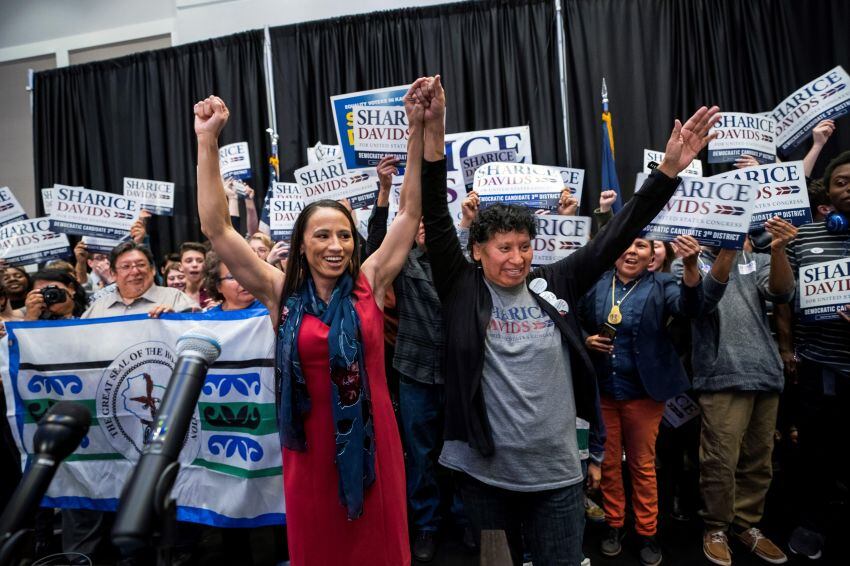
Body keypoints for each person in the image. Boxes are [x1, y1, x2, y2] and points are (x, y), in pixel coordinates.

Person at [423, 88, 720, 564]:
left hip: (557, 473)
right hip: (485, 474)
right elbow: (436, 216)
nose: (517, 258)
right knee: (496, 562)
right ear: (477, 250)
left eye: (524, 246)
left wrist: (667, 172)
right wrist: (434, 132)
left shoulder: (555, 281)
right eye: (504, 247)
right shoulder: (462, 289)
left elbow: (617, 233)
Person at [193, 77, 438, 565]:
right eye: (322, 235)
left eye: (345, 236)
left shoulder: (373, 280)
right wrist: (207, 142)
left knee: (379, 547)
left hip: (372, 443)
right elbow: (215, 227)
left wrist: (416, 128)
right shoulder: (278, 291)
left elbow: (410, 209)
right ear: (301, 243)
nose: (335, 246)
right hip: (308, 450)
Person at [670, 219, 796, 566]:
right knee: (720, 461)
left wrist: (779, 250)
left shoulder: (757, 256)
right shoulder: (687, 258)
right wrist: (725, 249)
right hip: (721, 374)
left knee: (759, 458)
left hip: (765, 372)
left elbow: (783, 293)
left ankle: (747, 524)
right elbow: (700, 304)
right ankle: (716, 526)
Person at [579, 235, 703, 566]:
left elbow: (690, 307)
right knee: (607, 464)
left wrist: (690, 265)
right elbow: (572, 320)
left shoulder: (662, 283)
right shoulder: (597, 283)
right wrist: (585, 339)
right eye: (627, 243)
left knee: (642, 464)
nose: (632, 251)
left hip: (644, 394)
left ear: (652, 255)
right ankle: (614, 525)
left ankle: (647, 532)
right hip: (604, 390)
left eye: (642, 245)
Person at [785, 150, 850, 560]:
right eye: (842, 181)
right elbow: (783, 299)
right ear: (827, 189)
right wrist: (786, 347)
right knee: (815, 453)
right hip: (818, 367)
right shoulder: (804, 236)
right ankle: (812, 523)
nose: (849, 188)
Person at [82, 241, 198, 319]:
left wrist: (177, 319)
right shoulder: (98, 308)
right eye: (126, 266)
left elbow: (202, 333)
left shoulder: (175, 298)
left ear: (152, 270)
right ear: (113, 274)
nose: (135, 271)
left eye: (141, 265)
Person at [23, 269, 88, 321]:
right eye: (42, 292)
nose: (49, 295)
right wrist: (31, 317)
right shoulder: (34, 318)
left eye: (52, 289)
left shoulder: (92, 308)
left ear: (71, 288)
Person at [178, 241, 209, 306]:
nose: (194, 265)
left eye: (200, 261)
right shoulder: (176, 297)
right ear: (180, 267)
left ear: (206, 265)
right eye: (188, 261)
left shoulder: (217, 294)